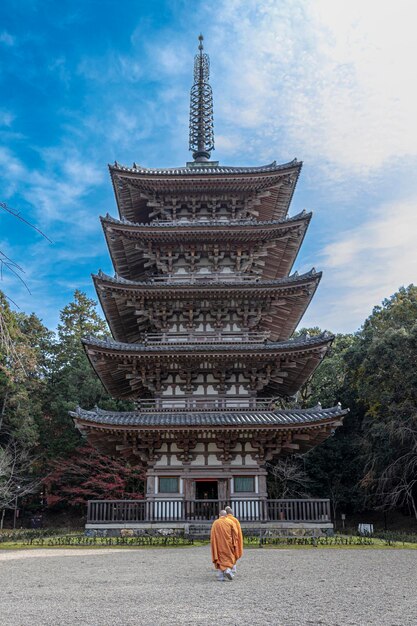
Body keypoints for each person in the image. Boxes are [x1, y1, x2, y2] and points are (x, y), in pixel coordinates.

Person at [210, 510, 237, 582]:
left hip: (218, 544)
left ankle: (220, 575)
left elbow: (212, 535)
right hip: (228, 543)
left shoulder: (216, 523)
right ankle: (228, 569)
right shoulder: (230, 522)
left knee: (219, 558)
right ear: (226, 515)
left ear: (219, 515)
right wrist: (234, 542)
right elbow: (235, 533)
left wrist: (214, 543)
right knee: (229, 557)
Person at [225, 506, 243, 574]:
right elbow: (238, 532)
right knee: (234, 553)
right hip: (234, 539)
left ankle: (228, 568)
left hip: (227, 540)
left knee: (227, 554)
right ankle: (233, 567)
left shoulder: (224, 520)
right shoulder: (235, 520)